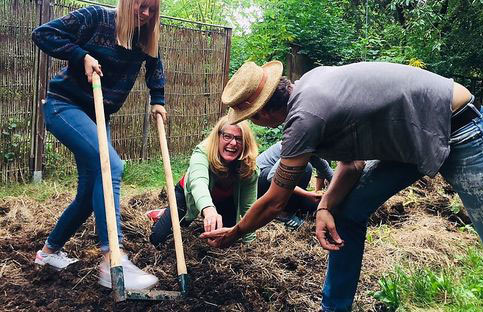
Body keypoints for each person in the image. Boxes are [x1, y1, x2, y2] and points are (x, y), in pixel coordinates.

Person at [201, 61, 483, 310]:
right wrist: (326, 205)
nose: (253, 122)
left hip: (462, 129)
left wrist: (236, 232)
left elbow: (274, 201)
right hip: (411, 144)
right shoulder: (311, 86)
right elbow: (352, 165)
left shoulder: (305, 115)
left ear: (266, 112)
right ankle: (334, 308)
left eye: (251, 116)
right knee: (347, 211)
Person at [32, 0, 166, 290]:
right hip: (64, 106)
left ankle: (47, 253)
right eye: (141, 7)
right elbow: (43, 33)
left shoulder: (144, 38)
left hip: (98, 115)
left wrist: (157, 98)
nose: (145, 15)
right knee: (112, 167)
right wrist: (81, 55)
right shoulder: (96, 18)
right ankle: (112, 259)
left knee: (88, 194)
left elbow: (155, 63)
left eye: (151, 10)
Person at [149, 116, 259, 246]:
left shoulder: (248, 166)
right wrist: (209, 210)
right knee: (159, 239)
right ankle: (162, 213)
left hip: (224, 201)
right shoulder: (202, 152)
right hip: (189, 195)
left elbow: (249, 208)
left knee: (226, 242)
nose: (233, 143)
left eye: (239, 139)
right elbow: (198, 183)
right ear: (218, 137)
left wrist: (250, 245)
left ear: (246, 143)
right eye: (227, 136)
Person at [257, 141, 333, 229]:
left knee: (312, 207)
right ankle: (283, 214)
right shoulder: (296, 146)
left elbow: (327, 171)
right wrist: (306, 194)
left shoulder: (313, 151)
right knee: (306, 167)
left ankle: (291, 208)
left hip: (282, 186)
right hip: (262, 182)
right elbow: (272, 177)